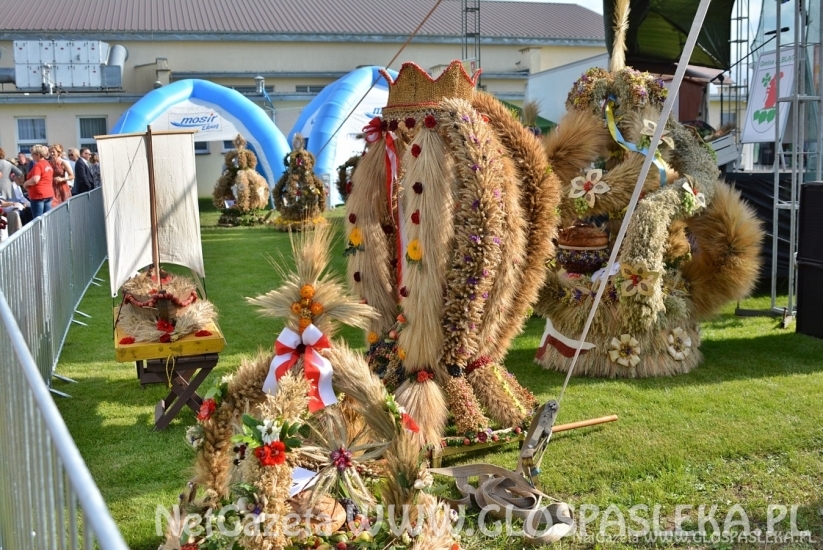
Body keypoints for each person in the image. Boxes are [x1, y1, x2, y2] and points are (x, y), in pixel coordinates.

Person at [21, 144, 54, 218]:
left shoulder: (38, 165)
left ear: (38, 155)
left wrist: (25, 183)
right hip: (48, 193)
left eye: (32, 154)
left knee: (38, 218)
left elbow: (35, 179)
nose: (31, 156)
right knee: (47, 218)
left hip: (38, 195)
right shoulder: (47, 164)